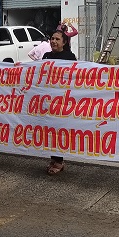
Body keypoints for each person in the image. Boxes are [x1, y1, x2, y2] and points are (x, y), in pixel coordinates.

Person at [42, 24, 77, 175]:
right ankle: (54, 158)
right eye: (52, 38)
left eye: (57, 39)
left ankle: (59, 161)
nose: (53, 41)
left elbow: (77, 77)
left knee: (58, 131)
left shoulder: (70, 57)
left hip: (62, 101)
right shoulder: (46, 56)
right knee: (49, 131)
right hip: (48, 100)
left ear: (64, 42)